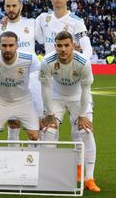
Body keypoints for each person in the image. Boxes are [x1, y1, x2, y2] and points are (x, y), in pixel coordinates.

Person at [35, 0, 94, 180]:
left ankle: (84, 176)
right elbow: (27, 35)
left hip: (74, 80)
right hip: (54, 81)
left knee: (82, 131)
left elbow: (87, 49)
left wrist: (77, 57)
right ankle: (49, 175)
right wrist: (5, 24)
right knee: (48, 130)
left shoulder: (76, 21)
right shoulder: (42, 19)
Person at [39, 31, 100, 192]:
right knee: (48, 131)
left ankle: (89, 178)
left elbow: (86, 90)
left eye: (67, 45)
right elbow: (45, 89)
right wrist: (50, 113)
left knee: (86, 131)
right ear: (55, 47)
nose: (63, 49)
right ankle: (48, 176)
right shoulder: (46, 61)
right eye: (59, 46)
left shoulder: (83, 62)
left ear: (73, 45)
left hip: (78, 98)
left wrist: (81, 116)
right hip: (56, 97)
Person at [0, 0, 43, 146]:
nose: (11, 9)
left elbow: (45, 40)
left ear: (20, 6)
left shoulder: (32, 23)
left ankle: (32, 161)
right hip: (10, 78)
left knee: (36, 125)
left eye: (14, 6)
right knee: (13, 123)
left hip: (33, 77)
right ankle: (13, 160)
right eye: (8, 6)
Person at [0, 31, 40, 143]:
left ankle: (29, 160)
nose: (7, 49)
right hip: (1, 102)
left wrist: (42, 107)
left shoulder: (30, 59)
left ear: (17, 45)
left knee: (34, 136)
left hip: (24, 101)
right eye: (4, 45)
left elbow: (41, 80)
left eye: (11, 45)